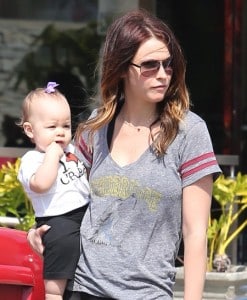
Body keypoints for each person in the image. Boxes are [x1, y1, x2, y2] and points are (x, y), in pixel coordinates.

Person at [27, 10, 221, 300]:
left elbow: (194, 232)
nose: (162, 74)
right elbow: (66, 193)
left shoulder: (189, 132)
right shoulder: (96, 127)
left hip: (148, 293)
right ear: (120, 68)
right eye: (149, 65)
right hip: (83, 287)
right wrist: (42, 227)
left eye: (168, 64)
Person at [18, 82, 90, 300]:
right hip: (57, 219)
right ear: (30, 130)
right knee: (60, 256)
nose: (60, 132)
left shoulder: (73, 150)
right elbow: (40, 184)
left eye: (66, 126)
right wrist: (51, 155)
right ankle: (53, 296)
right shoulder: (32, 160)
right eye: (52, 127)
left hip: (84, 211)